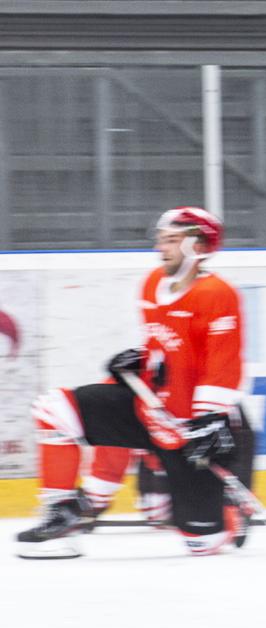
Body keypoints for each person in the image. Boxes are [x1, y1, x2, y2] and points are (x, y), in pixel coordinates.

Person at [16, 206, 252, 558]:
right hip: (153, 413)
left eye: (172, 240)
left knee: (204, 543)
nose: (162, 247)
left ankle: (231, 506)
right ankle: (62, 513)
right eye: (161, 239)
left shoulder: (217, 294)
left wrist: (208, 419)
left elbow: (223, 364)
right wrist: (141, 359)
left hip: (193, 428)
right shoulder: (153, 284)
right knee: (54, 408)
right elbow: (165, 350)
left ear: (199, 246)